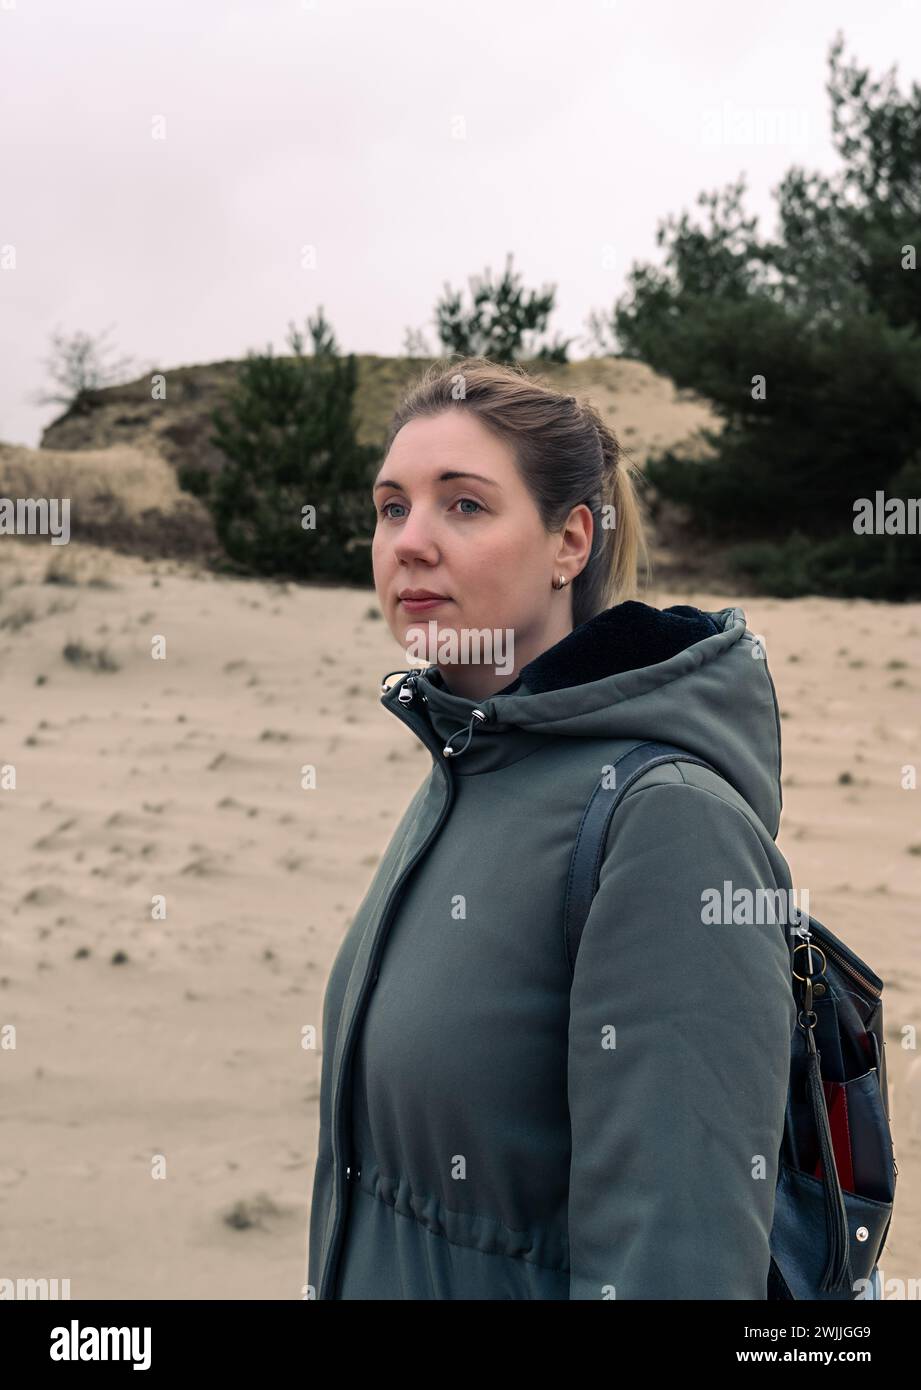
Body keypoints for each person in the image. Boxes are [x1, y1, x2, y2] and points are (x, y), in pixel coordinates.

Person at [306, 357, 796, 1300]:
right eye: (390, 506)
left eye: (463, 506)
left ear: (571, 542)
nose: (409, 542)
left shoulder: (669, 824)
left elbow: (674, 1264)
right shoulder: (467, 763)